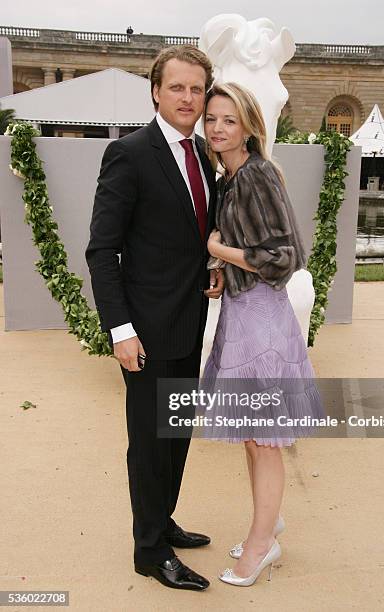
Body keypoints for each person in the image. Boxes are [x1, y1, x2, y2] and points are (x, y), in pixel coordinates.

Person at [85, 45, 224, 591]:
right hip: (144, 332)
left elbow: (188, 234)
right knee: (149, 442)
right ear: (155, 92)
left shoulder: (203, 154)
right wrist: (120, 330)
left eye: (197, 89)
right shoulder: (131, 153)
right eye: (178, 88)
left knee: (178, 433)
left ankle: (161, 520)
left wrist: (210, 264)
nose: (188, 98)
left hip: (190, 323)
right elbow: (103, 250)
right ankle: (149, 552)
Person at [202, 82, 324, 587]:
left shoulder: (255, 175)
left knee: (263, 437)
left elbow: (285, 256)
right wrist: (221, 266)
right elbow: (249, 245)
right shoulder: (229, 176)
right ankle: (267, 521)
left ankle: (262, 545)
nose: (216, 128)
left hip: (263, 322)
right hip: (243, 312)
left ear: (250, 125)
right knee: (254, 437)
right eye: (211, 119)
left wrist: (220, 250)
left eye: (228, 120)